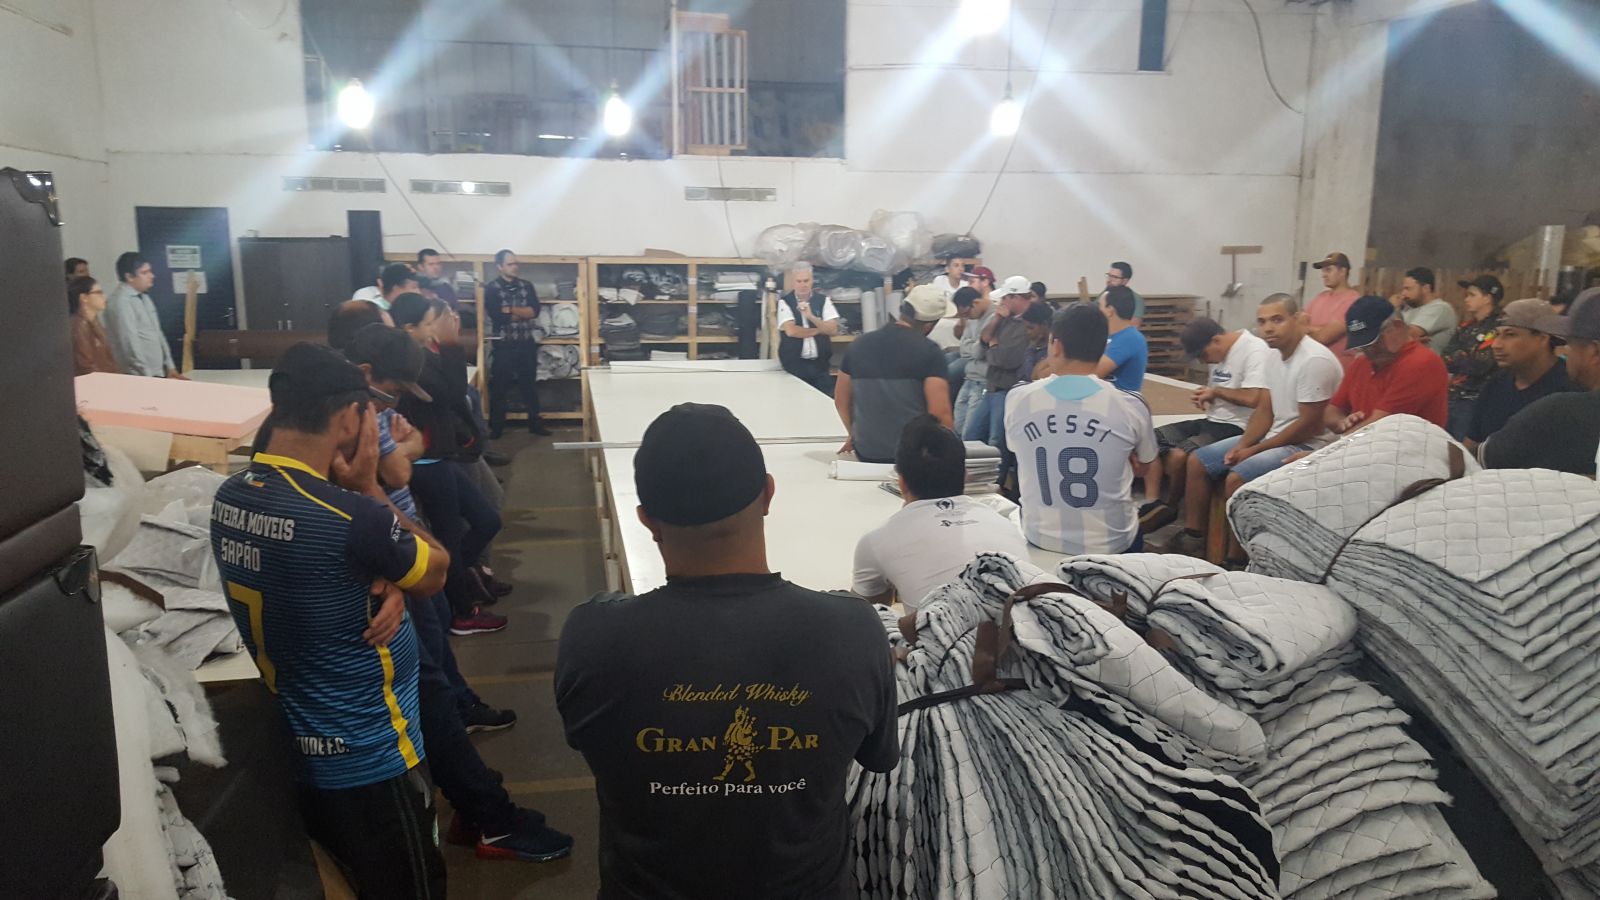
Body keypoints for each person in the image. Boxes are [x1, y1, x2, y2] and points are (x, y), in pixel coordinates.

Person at [555, 403, 898, 899]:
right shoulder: (853, 631)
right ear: (768, 494)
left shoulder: (592, 639)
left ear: (647, 520)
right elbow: (878, 758)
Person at [209, 342, 451, 897]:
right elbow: (437, 570)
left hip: (297, 749)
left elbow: (309, 567)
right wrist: (369, 489)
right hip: (374, 760)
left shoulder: (231, 496)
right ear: (347, 417)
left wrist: (384, 574)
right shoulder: (355, 518)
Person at [335, 324, 573, 863]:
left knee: (436, 677)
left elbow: (394, 470)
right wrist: (390, 570)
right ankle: (486, 814)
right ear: (365, 375)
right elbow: (389, 477)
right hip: (394, 565)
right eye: (390, 391)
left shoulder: (355, 413)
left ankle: (478, 803)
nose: (392, 405)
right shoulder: (354, 418)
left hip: (398, 558)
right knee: (430, 692)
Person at [1175, 295, 1342, 556]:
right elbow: (1265, 410)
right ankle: (1194, 537)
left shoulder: (1313, 360)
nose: (1269, 328)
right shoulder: (1273, 357)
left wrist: (1254, 450)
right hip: (1276, 436)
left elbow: (1308, 426)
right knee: (1198, 461)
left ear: (1296, 319)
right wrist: (1243, 444)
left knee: (1237, 478)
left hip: (1309, 445)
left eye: (1277, 320)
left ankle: (1237, 557)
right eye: (1262, 322)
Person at [391, 293, 509, 637]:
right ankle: (463, 612)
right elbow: (452, 392)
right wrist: (452, 343)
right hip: (426, 462)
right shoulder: (410, 363)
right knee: (450, 538)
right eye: (428, 323)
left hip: (442, 456)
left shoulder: (423, 354)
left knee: (486, 520)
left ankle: (456, 578)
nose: (434, 328)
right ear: (409, 328)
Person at [1006, 303, 1158, 555]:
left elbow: (1018, 449)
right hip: (1111, 544)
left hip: (1039, 536)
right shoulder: (1131, 405)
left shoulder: (1018, 398)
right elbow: (1144, 467)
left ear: (1056, 346)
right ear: (1103, 348)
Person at [852, 415, 1029, 612]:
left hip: (941, 630)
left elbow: (865, 614)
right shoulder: (1004, 524)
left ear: (901, 483)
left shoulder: (878, 539)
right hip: (1026, 627)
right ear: (966, 476)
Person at [1138, 317, 1269, 533]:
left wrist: (1216, 392)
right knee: (1151, 437)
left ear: (1216, 340)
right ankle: (1154, 503)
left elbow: (1253, 397)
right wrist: (1206, 396)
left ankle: (1172, 509)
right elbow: (1219, 390)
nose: (1202, 361)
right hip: (1212, 420)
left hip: (1237, 425)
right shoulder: (1218, 354)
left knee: (1182, 455)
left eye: (1202, 355)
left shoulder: (1254, 350)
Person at [1481, 288, 1600, 475]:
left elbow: (1478, 460)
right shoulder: (1497, 383)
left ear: (1595, 352)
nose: (1566, 351)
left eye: (1570, 344)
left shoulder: (1561, 410)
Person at [835, 284, 952, 463]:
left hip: (867, 452)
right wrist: (949, 460)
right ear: (929, 325)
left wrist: (854, 435)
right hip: (912, 458)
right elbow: (941, 414)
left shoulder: (858, 345)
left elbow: (841, 400)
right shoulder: (930, 352)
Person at [1320, 295, 1449, 435]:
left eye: (1375, 342)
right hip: (1368, 444)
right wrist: (1342, 423)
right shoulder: (1361, 362)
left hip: (1405, 446)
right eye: (1362, 346)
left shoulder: (1422, 362)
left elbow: (1381, 426)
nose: (1369, 350)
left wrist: (1343, 440)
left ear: (1397, 327)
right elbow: (1331, 411)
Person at [1465, 299, 1577, 450]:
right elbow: (1470, 445)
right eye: (1497, 335)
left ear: (1542, 338)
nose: (1496, 345)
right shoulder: (1496, 384)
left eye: (1510, 335)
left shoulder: (1571, 390)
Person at [485, 249, 550, 436]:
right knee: (500, 387)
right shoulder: (492, 288)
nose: (514, 267)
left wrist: (510, 309)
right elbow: (497, 316)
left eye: (515, 263)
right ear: (499, 267)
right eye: (510, 264)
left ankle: (535, 424)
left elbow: (534, 311)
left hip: (526, 343)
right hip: (503, 345)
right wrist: (522, 312)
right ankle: (496, 427)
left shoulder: (526, 286)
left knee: (529, 385)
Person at [966, 276, 1035, 449]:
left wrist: (993, 344)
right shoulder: (1004, 318)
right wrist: (996, 320)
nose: (1002, 302)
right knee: (971, 436)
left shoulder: (1027, 325)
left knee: (996, 443)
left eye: (1005, 298)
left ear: (1016, 297)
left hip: (1007, 389)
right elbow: (984, 341)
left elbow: (1005, 360)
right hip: (992, 386)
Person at [1439, 274, 1506, 439]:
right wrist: (1464, 356)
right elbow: (1444, 358)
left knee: (1465, 448)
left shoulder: (1501, 327)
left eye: (1472, 295)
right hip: (1454, 396)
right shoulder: (1466, 327)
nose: (1466, 299)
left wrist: (1459, 356)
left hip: (1479, 399)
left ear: (1487, 298)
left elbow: (1480, 364)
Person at [103, 252, 186, 379]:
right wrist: (146, 376)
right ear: (129, 277)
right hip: (139, 376)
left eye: (150, 271)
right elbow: (129, 344)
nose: (152, 276)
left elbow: (157, 333)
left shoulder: (143, 296)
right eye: (145, 272)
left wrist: (170, 366)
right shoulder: (120, 302)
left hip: (158, 372)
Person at [777, 262, 842, 394]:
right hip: (794, 366)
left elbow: (833, 330)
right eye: (799, 281)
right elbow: (792, 331)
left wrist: (811, 316)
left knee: (825, 400)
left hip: (820, 365)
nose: (803, 285)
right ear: (793, 282)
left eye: (806, 281)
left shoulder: (824, 301)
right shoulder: (785, 302)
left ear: (812, 280)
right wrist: (820, 330)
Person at [951, 282, 995, 432]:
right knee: (957, 427)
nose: (967, 318)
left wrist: (975, 347)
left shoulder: (994, 319)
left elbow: (978, 352)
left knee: (969, 432)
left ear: (975, 303)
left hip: (983, 381)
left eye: (966, 313)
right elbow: (963, 348)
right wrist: (975, 346)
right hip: (969, 377)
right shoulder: (972, 319)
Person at [1305, 252, 1362, 360]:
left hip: (1337, 365)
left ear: (1342, 271)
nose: (1323, 275)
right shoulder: (1321, 296)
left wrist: (1307, 330)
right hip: (1314, 361)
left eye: (1328, 270)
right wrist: (1320, 329)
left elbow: (1323, 337)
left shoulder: (1353, 301)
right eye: (1323, 270)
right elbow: (1298, 325)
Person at [1096, 285, 1148, 391]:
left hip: (1121, 399)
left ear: (1110, 311)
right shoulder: (1111, 337)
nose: (1096, 310)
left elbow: (1094, 374)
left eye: (1099, 306)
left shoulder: (1130, 338)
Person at [1393, 267, 1458, 349]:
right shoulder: (1407, 308)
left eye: (1408, 289)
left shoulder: (1440, 308)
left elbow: (1408, 335)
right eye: (1403, 288)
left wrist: (1393, 309)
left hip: (1429, 357)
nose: (1403, 293)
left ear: (1426, 288)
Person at [68, 277, 120, 376]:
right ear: (84, 298)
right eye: (98, 292)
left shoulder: (95, 321)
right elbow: (86, 367)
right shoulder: (79, 326)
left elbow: (109, 359)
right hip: (96, 382)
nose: (104, 296)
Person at [1017, 301, 1055, 383]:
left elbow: (1030, 376)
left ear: (1044, 324)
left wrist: (1031, 349)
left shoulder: (1054, 349)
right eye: (1026, 328)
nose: (1028, 332)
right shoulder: (1034, 345)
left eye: (1031, 328)